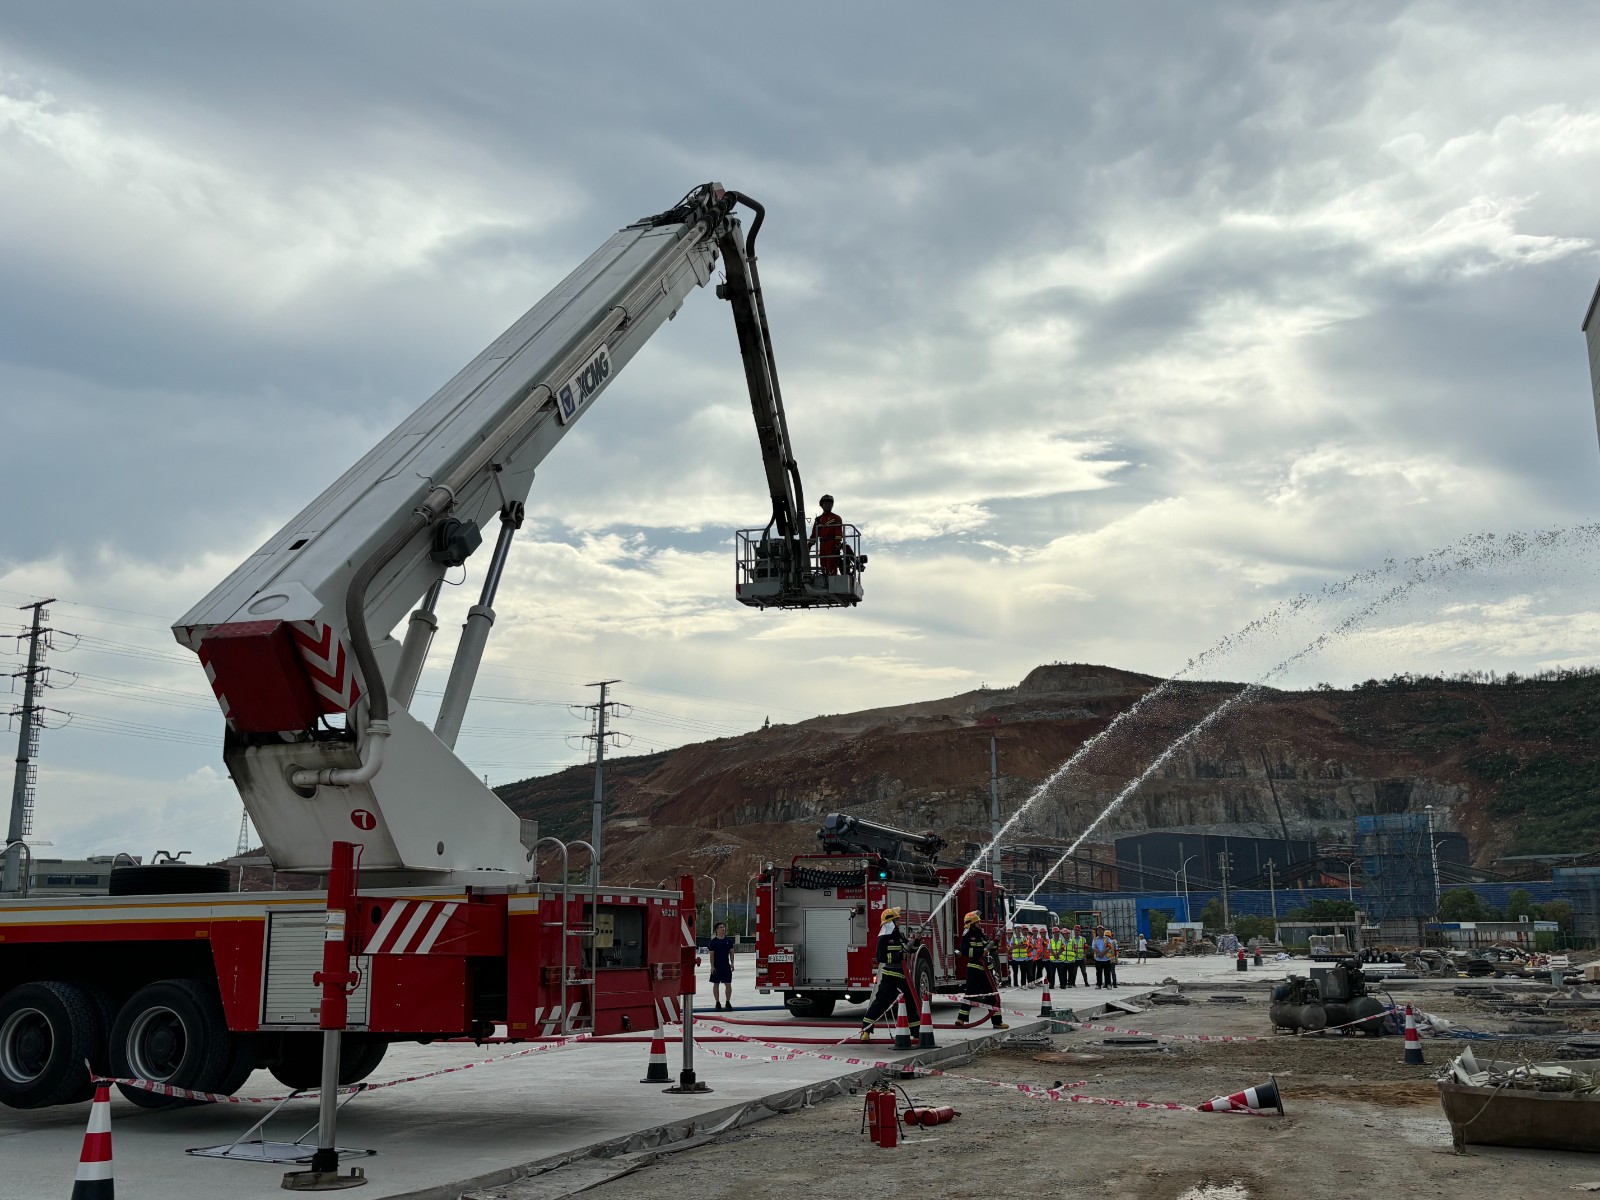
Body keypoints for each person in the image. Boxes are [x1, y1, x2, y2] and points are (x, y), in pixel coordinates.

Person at [860, 907, 922, 1042]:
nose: (899, 922)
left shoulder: (899, 935)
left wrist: (917, 940)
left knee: (911, 1003)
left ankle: (916, 1033)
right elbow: (881, 957)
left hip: (903, 976)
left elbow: (910, 949)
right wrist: (898, 956)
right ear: (891, 922)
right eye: (897, 920)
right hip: (890, 976)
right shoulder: (884, 938)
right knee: (880, 1003)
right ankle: (866, 1030)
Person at [955, 911, 1009, 1029]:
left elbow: (991, 948)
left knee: (992, 996)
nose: (979, 924)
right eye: (977, 922)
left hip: (986, 970)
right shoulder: (967, 935)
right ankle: (961, 1019)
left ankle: (997, 1022)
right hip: (974, 969)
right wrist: (980, 952)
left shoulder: (981, 934)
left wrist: (997, 939)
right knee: (970, 995)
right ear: (972, 924)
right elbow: (965, 950)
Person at [808, 494, 845, 576]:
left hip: (832, 544)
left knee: (831, 564)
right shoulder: (818, 519)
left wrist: (837, 545)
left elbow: (838, 533)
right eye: (825, 503)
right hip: (822, 544)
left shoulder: (836, 518)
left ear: (832, 505)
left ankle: (832, 579)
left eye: (829, 503)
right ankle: (825, 579)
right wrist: (809, 546)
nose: (828, 505)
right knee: (823, 565)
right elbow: (814, 534)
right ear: (821, 505)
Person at [706, 922, 735, 1011]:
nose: (723, 929)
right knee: (716, 984)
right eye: (721, 927)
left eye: (723, 927)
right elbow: (711, 955)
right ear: (716, 930)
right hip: (717, 966)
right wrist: (712, 966)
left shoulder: (728, 941)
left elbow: (732, 952)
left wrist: (732, 963)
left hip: (726, 965)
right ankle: (717, 1002)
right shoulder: (713, 942)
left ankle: (728, 1001)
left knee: (728, 984)